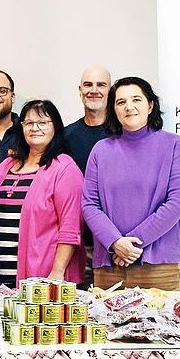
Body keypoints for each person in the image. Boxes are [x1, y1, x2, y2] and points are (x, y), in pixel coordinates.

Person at [83, 76, 180, 359]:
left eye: (136, 100)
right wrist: (115, 242)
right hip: (110, 265)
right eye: (121, 101)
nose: (128, 107)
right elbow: (89, 204)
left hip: (158, 265)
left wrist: (134, 243)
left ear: (150, 106)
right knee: (112, 348)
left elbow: (176, 203)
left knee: (154, 348)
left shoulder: (172, 146)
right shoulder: (101, 150)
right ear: (114, 109)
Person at [0, 100, 84, 359]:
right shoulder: (6, 167)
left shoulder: (63, 167)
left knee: (51, 346)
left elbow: (71, 227)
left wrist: (58, 274)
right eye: (27, 122)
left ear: (55, 126)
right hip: (1, 273)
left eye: (42, 121)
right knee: (21, 344)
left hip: (44, 275)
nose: (34, 128)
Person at [65, 66, 112, 286]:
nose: (94, 90)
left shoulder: (122, 133)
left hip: (115, 242)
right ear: (80, 90)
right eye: (88, 85)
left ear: (110, 90)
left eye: (101, 85)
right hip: (79, 244)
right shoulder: (65, 136)